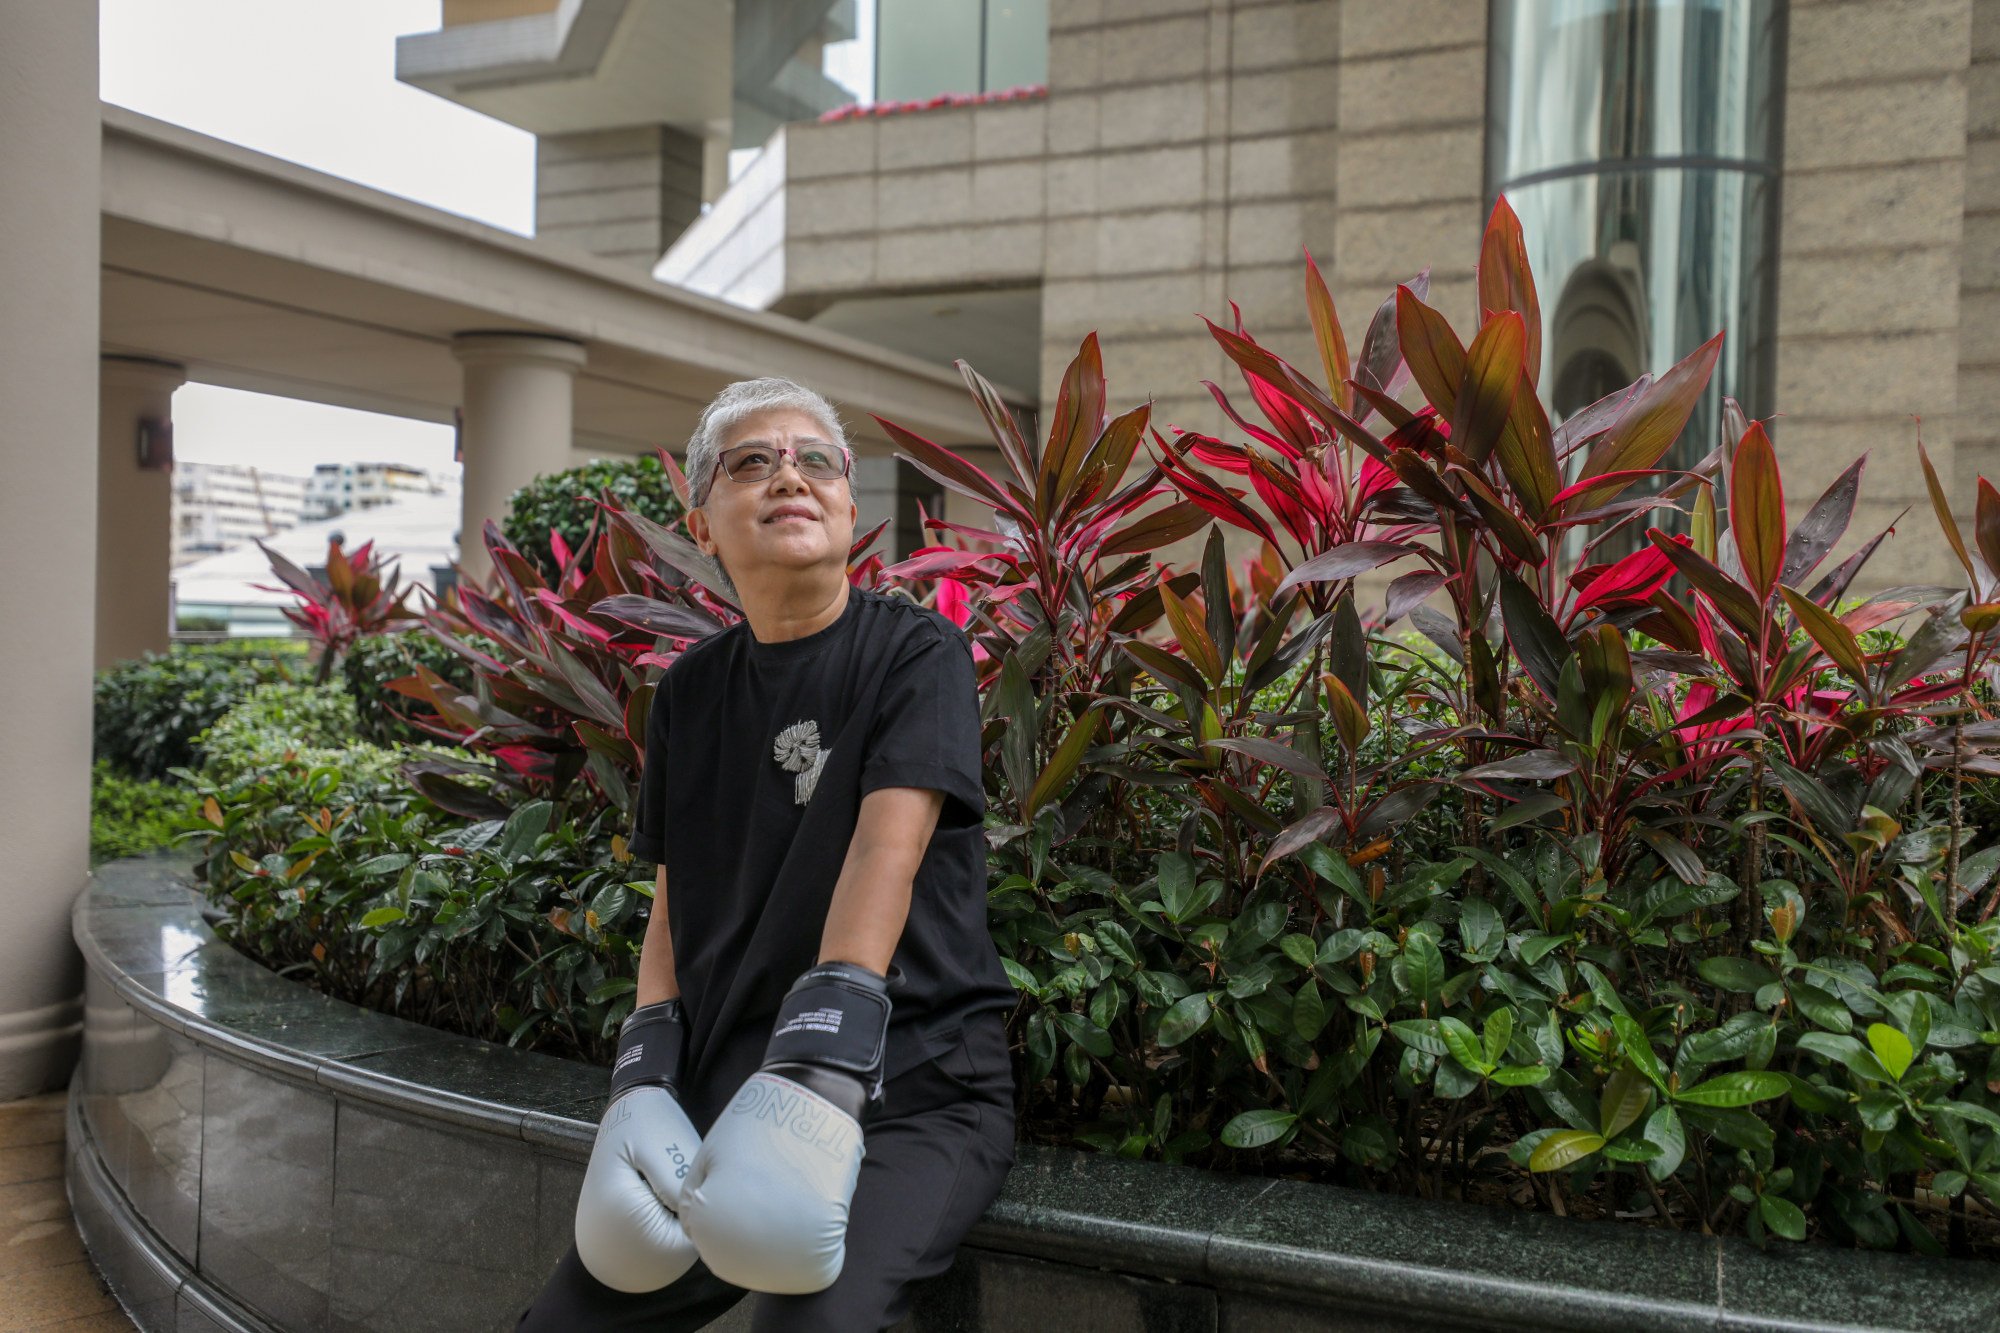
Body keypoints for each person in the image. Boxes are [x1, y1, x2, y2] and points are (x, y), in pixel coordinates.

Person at [516, 377, 1018, 1332]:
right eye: (753, 462)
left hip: (914, 1087)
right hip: (727, 1086)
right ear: (701, 523)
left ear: (844, 499)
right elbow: (674, 900)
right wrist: (646, 1074)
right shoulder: (692, 692)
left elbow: (886, 852)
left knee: (808, 1328)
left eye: (814, 459)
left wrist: (817, 1072)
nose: (791, 474)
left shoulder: (920, 654)